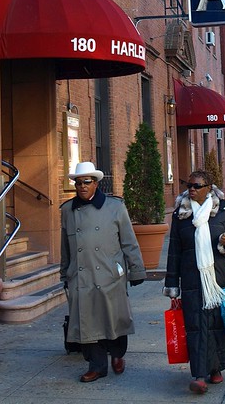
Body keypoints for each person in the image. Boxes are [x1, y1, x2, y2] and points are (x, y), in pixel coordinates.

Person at [163, 170, 225, 395]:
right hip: (192, 280)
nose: (192, 189)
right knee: (196, 327)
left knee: (218, 325)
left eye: (197, 186)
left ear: (208, 188)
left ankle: (216, 368)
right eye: (189, 185)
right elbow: (174, 251)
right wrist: (172, 285)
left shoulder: (223, 211)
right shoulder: (181, 214)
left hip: (219, 280)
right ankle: (199, 375)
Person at [60, 162, 147, 383]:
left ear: (96, 183)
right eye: (78, 182)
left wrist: (136, 270)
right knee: (87, 321)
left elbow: (129, 241)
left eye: (86, 182)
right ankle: (96, 366)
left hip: (109, 273)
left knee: (114, 318)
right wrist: (65, 274)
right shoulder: (68, 210)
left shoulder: (115, 207)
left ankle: (117, 354)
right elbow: (65, 246)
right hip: (81, 276)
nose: (82, 186)